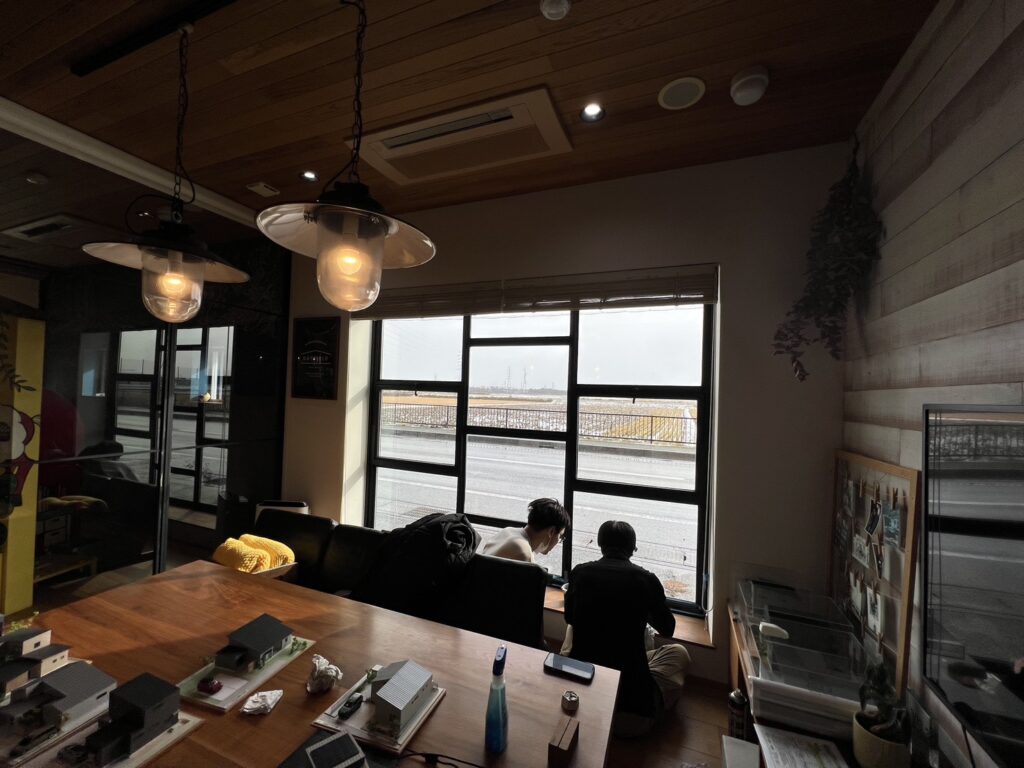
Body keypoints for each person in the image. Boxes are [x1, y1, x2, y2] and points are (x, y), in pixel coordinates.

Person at [564, 520, 691, 737]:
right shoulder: (645, 580)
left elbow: (569, 617)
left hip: (579, 703)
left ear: (600, 545)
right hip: (632, 716)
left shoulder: (580, 573)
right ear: (632, 548)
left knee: (572, 628)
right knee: (678, 652)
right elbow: (667, 628)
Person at [480, 498, 569, 563]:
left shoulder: (507, 531)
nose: (558, 540)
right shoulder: (524, 553)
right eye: (560, 536)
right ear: (551, 532)